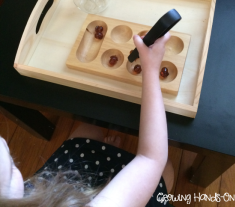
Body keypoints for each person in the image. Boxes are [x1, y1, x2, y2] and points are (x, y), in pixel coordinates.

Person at [0, 32, 174, 207]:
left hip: (66, 182)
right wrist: (150, 68)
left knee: (89, 131)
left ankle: (108, 153)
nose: (7, 145)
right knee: (167, 170)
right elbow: (151, 159)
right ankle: (113, 159)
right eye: (12, 166)